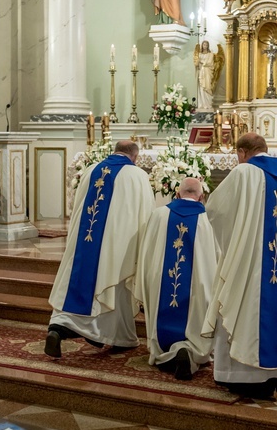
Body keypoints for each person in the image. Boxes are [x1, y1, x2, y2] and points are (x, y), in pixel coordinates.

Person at [203, 133, 277, 398]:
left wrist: (231, 241)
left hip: (248, 263)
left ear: (242, 152)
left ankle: (240, 377)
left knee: (242, 308)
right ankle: (272, 376)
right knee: (268, 312)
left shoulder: (243, 173)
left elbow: (215, 210)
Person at [45, 140, 155, 358]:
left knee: (77, 281)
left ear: (115, 151)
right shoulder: (137, 175)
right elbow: (146, 215)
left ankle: (58, 327)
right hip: (118, 244)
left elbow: (77, 207)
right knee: (113, 285)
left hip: (84, 243)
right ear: (135, 156)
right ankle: (117, 338)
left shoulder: (91, 170)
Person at [135, 178, 218, 380]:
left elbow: (145, 253)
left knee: (160, 308)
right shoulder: (210, 219)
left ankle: (166, 352)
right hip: (198, 286)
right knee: (198, 313)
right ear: (202, 197)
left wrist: (144, 282)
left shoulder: (158, 214)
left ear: (178, 195)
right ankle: (188, 350)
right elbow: (218, 255)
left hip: (161, 284)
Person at [195, 40, 215, 111]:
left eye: (206, 45)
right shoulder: (200, 54)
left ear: (208, 46)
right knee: (201, 87)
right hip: (201, 72)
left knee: (207, 86)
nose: (205, 46)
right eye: (204, 45)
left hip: (207, 72)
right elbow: (197, 64)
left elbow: (210, 63)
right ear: (202, 46)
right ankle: (202, 104)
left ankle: (208, 104)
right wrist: (198, 62)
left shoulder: (210, 54)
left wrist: (202, 62)